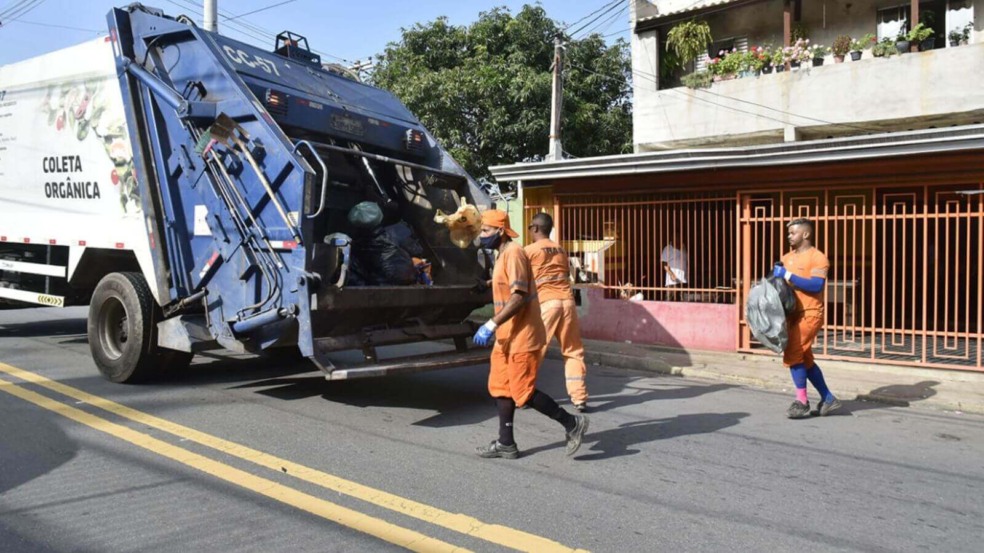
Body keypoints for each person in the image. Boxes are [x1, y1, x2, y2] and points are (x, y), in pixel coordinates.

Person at [472, 209, 589, 459]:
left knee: (522, 391)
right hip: (508, 334)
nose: (481, 236)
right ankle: (506, 443)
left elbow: (519, 295)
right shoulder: (503, 254)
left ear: (500, 231)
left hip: (523, 334)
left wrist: (490, 324)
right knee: (500, 387)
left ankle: (572, 423)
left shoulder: (514, 252)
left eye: (485, 231)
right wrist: (485, 286)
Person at [772, 218, 842, 419]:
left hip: (811, 313)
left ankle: (801, 402)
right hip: (792, 315)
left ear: (805, 234)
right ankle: (828, 399)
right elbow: (780, 286)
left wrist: (787, 275)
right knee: (805, 358)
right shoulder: (786, 257)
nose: (789, 236)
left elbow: (816, 286)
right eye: (788, 233)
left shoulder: (818, 258)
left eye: (792, 233)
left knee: (793, 352)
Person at [524, 212, 589, 411]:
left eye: (530, 228)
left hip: (547, 304)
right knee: (573, 352)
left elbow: (520, 279)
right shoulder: (560, 250)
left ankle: (523, 393)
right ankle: (579, 398)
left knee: (535, 349)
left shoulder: (529, 251)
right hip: (567, 303)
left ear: (535, 228)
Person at [660, 234, 688, 300]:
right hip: (671, 282)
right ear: (672, 239)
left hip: (683, 281)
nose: (678, 240)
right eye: (676, 238)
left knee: (682, 303)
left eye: (680, 238)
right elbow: (664, 263)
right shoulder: (667, 249)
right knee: (669, 302)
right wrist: (671, 274)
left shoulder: (683, 247)